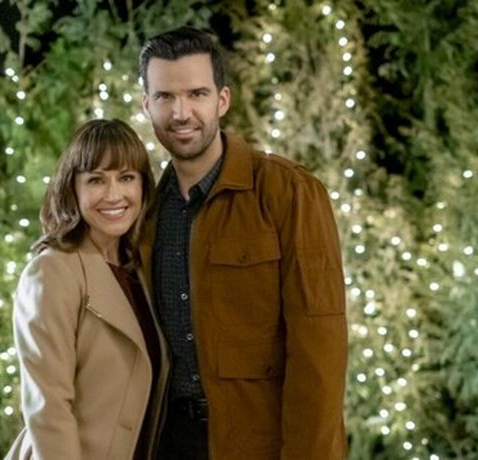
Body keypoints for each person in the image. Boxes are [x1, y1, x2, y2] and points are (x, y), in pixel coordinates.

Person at [137, 27, 348, 459]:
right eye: (165, 97)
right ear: (146, 105)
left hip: (257, 444)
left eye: (196, 94)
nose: (181, 112)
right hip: (168, 442)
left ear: (222, 100)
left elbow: (320, 353)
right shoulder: (145, 211)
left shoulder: (288, 192)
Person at [6, 119, 169, 460]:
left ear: (143, 186)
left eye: (126, 178)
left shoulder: (140, 270)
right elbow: (49, 409)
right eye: (96, 180)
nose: (114, 194)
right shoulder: (52, 272)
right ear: (73, 189)